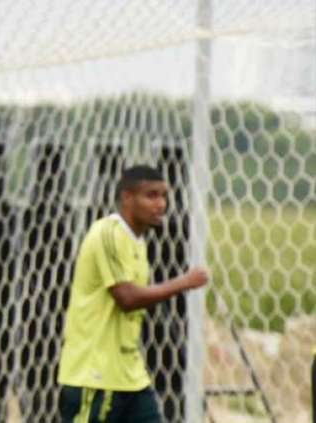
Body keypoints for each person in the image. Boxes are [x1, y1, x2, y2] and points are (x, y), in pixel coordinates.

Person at [57, 165, 209, 422]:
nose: (160, 204)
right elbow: (126, 298)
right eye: (151, 195)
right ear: (127, 197)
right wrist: (185, 282)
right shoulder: (107, 233)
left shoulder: (137, 242)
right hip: (95, 375)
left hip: (130, 377)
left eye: (163, 196)